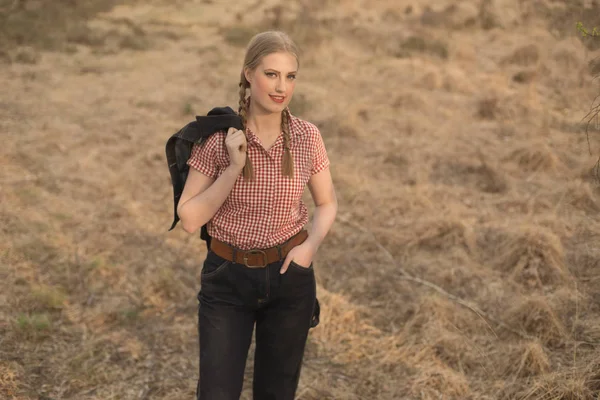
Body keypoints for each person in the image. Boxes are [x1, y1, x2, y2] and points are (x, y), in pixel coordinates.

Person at [176, 30, 338, 400]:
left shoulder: (307, 136)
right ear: (249, 74)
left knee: (277, 393)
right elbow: (188, 218)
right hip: (227, 280)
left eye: (290, 76)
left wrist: (309, 248)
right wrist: (233, 169)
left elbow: (326, 203)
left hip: (289, 277)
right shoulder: (218, 139)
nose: (281, 87)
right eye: (271, 74)